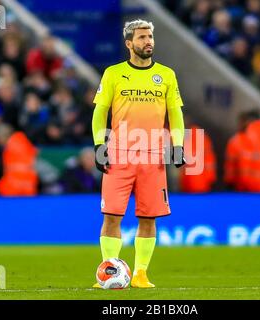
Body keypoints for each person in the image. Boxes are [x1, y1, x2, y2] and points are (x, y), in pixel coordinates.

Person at [91, 19, 185, 288]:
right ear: (129, 43)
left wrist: (177, 145)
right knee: (111, 216)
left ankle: (140, 273)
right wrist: (100, 144)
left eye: (150, 37)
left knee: (148, 217)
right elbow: (100, 112)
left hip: (153, 156)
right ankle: (109, 271)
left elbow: (175, 114)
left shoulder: (166, 75)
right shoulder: (113, 73)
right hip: (119, 154)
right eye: (142, 37)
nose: (149, 42)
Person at [0, 123, 38, 196]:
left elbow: (13, 172)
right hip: (30, 187)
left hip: (16, 188)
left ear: (1, 137)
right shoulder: (23, 141)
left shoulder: (10, 147)